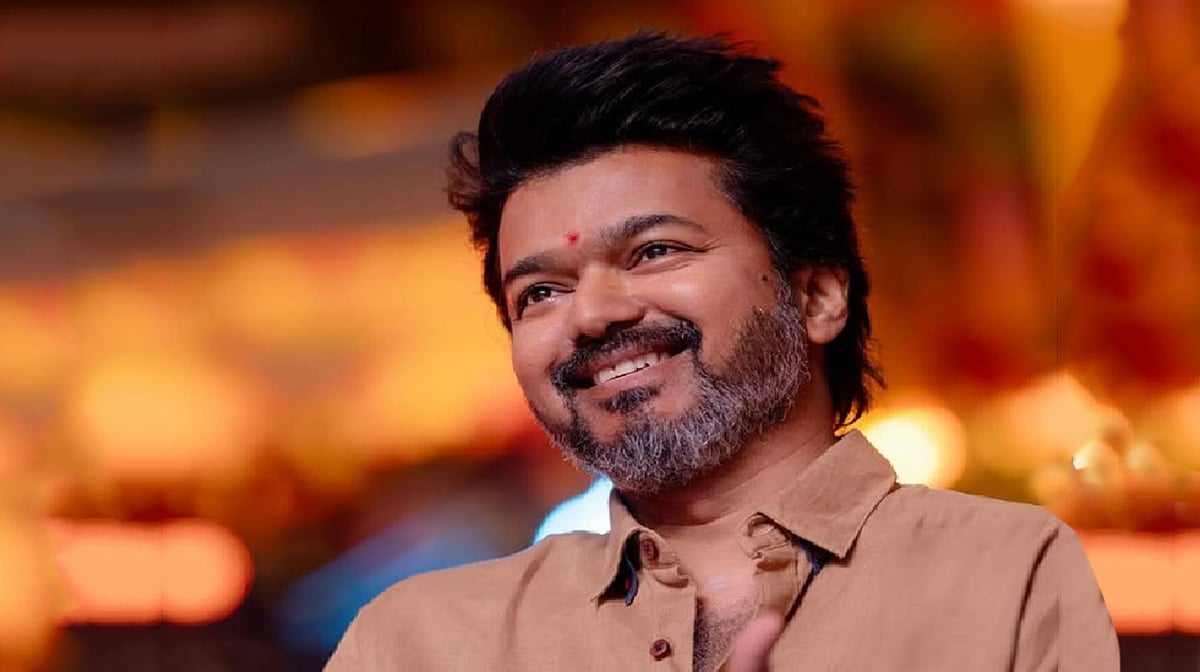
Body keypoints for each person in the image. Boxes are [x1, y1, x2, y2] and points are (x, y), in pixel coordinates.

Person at [325, 32, 1118, 671]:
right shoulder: (421, 643)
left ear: (817, 296)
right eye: (540, 293)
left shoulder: (1003, 576)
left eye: (654, 252)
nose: (592, 315)